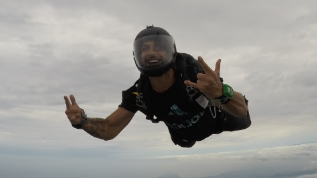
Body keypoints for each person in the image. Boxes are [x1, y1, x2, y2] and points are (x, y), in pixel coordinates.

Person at [64, 26, 251, 148]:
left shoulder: (195, 76)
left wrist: (220, 93)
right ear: (136, 55)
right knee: (184, 142)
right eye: (144, 48)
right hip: (183, 133)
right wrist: (82, 121)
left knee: (244, 118)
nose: (151, 52)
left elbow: (241, 110)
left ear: (171, 51)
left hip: (218, 120)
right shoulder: (139, 94)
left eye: (158, 47)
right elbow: (108, 128)